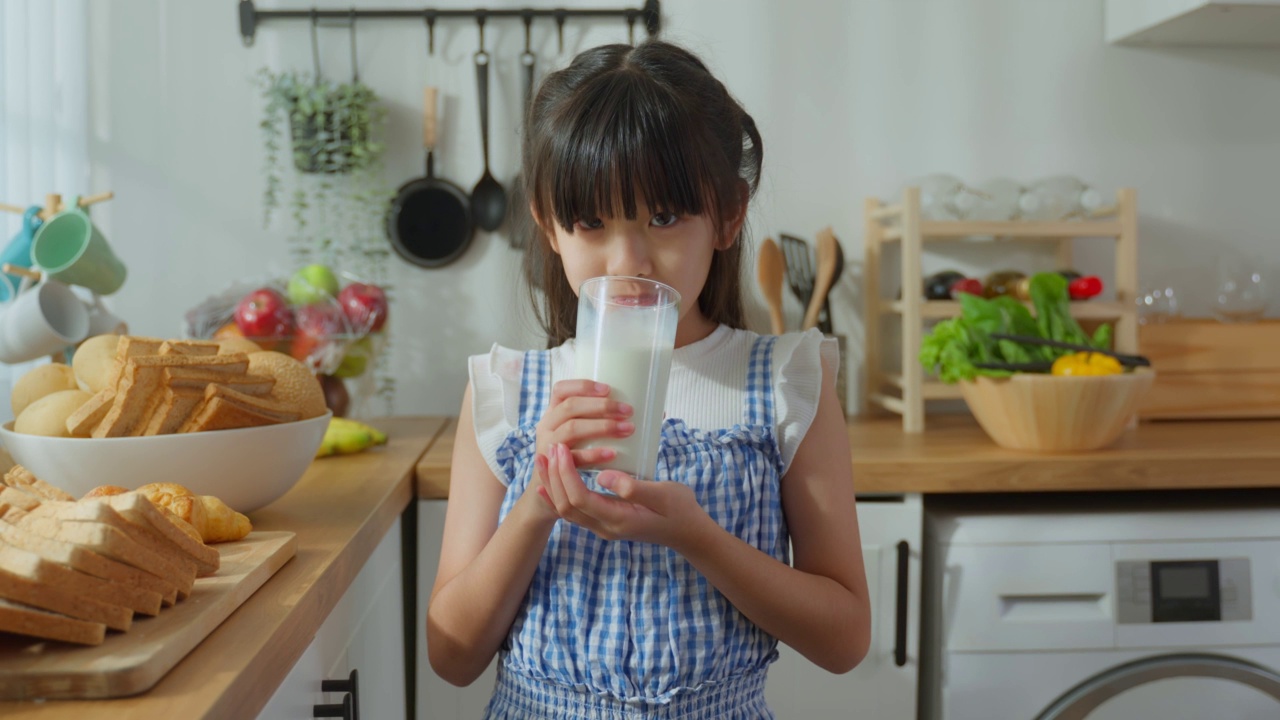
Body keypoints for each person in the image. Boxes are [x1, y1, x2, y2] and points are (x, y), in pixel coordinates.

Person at [427, 38, 870, 719]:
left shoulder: (785, 380)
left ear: (728, 214)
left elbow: (844, 640)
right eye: (591, 223)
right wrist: (540, 500)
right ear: (548, 226)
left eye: (664, 217)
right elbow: (451, 657)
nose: (626, 259)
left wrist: (697, 537)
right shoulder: (507, 389)